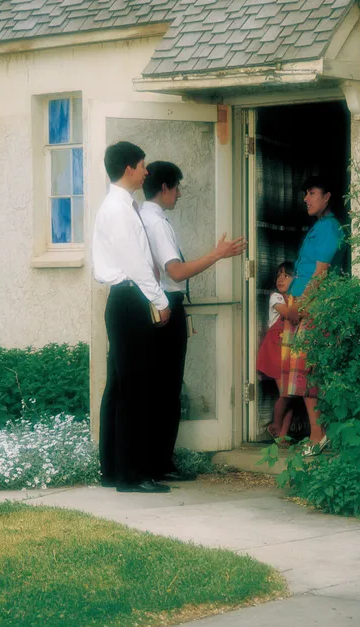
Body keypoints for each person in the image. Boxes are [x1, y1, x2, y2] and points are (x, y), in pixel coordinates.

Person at [140, 161, 247, 481]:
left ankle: (157, 462)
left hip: (156, 306)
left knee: (159, 386)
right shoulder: (156, 222)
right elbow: (176, 272)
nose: (180, 194)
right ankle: (159, 463)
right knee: (167, 387)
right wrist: (217, 255)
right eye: (177, 187)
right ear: (164, 189)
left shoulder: (145, 217)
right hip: (164, 305)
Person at [92, 142, 173, 493]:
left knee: (120, 386)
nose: (146, 171)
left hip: (124, 298)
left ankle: (113, 468)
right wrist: (160, 299)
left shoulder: (121, 205)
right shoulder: (119, 209)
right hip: (130, 297)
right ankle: (132, 474)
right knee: (135, 387)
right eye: (143, 165)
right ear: (129, 168)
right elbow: (135, 262)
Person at [276, 176, 345, 455]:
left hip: (313, 306)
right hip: (303, 304)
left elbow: (320, 274)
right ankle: (318, 434)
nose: (306, 198)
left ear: (327, 196)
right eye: (305, 193)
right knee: (303, 373)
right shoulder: (319, 227)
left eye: (312, 193)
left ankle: (319, 436)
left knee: (309, 371)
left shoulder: (330, 229)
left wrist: (299, 307)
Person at [256, 262, 295, 439]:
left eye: (286, 275)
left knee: (292, 395)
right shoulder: (276, 298)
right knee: (286, 393)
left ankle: (282, 436)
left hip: (291, 351)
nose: (281, 279)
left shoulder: (296, 299)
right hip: (276, 350)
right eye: (279, 275)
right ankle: (276, 425)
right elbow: (289, 314)